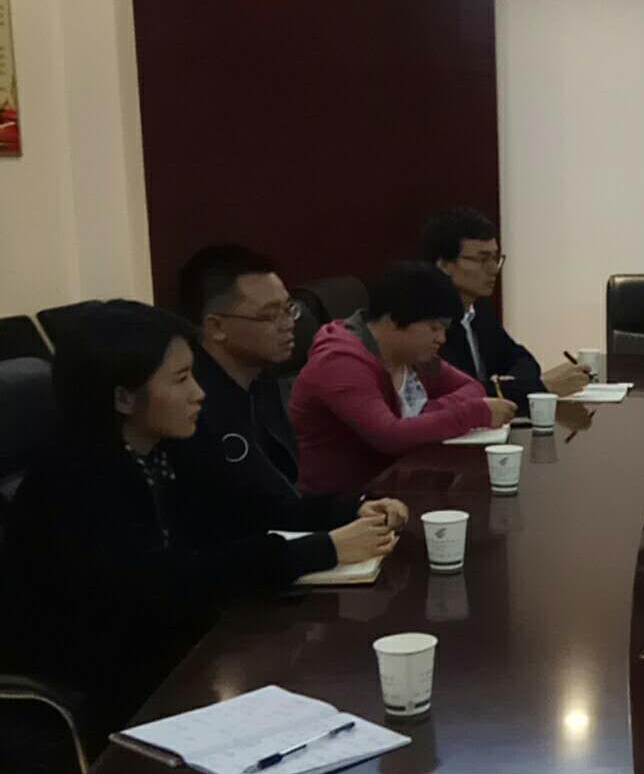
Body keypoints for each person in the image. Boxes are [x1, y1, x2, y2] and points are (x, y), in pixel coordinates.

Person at [1, 301, 404, 745]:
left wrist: (352, 509)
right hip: (109, 681)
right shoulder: (76, 478)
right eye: (180, 379)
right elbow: (166, 582)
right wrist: (323, 549)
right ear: (123, 398)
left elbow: (250, 509)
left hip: (180, 645)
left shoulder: (164, 445)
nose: (199, 393)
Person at [291, 261, 515, 495]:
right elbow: (390, 436)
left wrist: (425, 413)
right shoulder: (340, 362)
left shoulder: (412, 357)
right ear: (393, 320)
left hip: (398, 486)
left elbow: (473, 388)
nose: (441, 339)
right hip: (344, 503)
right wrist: (472, 413)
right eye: (434, 328)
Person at [171, 244, 311, 503]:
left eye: (289, 308)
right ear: (216, 327)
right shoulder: (191, 406)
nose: (288, 324)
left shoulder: (261, 377)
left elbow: (284, 491)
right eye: (270, 315)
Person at [424, 207, 590, 409]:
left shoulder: (479, 308)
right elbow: (459, 394)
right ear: (444, 265)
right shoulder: (427, 322)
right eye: (482, 259)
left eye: (495, 258)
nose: (494, 269)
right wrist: (539, 387)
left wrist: (510, 386)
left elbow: (522, 359)